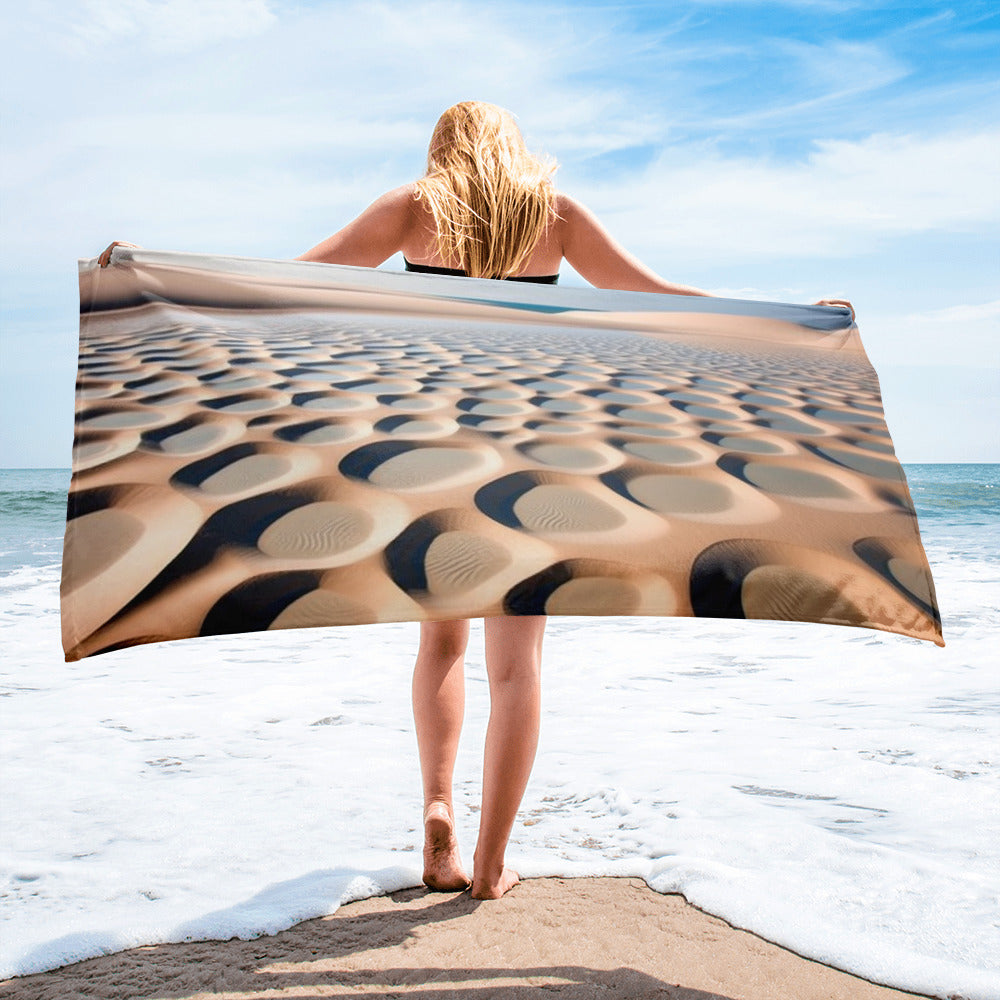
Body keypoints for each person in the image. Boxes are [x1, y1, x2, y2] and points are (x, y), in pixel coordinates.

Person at [99, 100, 853, 901]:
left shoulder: (413, 207)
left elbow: (292, 282)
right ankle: (491, 867)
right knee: (518, 671)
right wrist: (796, 322)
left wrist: (151, 275)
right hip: (529, 459)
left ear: (443, 149)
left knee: (441, 649)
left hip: (428, 452)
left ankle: (436, 811)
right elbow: (660, 296)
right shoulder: (554, 214)